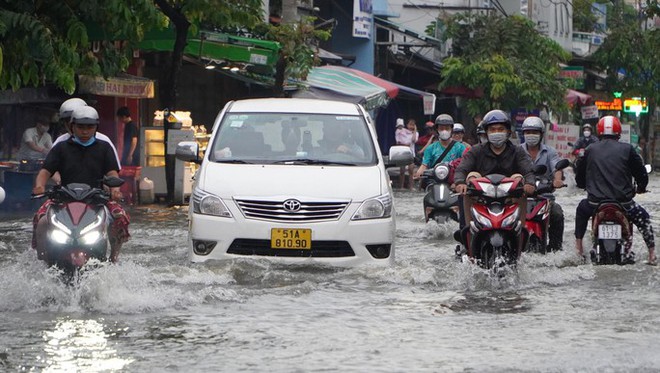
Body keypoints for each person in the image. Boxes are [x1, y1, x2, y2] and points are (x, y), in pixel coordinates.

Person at [32, 106, 130, 263]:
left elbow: (112, 173)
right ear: (73, 127)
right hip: (63, 198)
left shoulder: (104, 148)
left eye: (89, 127)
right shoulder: (61, 147)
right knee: (42, 221)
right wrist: (39, 186)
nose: (85, 131)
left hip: (97, 198)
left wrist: (115, 190)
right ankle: (43, 262)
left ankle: (114, 258)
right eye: (81, 127)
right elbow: (45, 171)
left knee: (120, 217)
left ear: (96, 128)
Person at [574, 115, 656, 265]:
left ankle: (578, 250)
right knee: (643, 218)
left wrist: (581, 184)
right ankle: (652, 255)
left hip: (594, 203)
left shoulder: (590, 149)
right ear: (618, 132)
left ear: (599, 131)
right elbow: (641, 173)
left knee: (580, 210)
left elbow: (580, 174)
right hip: (623, 203)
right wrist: (641, 187)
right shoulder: (628, 149)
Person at [454, 110, 535, 242]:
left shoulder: (518, 151)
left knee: (519, 178)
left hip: (509, 198)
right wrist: (460, 182)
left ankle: (520, 233)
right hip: (482, 198)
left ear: (508, 132)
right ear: (486, 132)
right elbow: (462, 169)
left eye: (500, 129)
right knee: (471, 177)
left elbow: (528, 171)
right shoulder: (476, 151)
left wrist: (529, 184)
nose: (496, 132)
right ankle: (468, 233)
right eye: (492, 129)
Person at [519, 116, 565, 251]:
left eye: (534, 132)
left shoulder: (550, 151)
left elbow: (557, 167)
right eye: (528, 132)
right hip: (522, 198)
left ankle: (556, 249)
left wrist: (557, 180)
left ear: (541, 134)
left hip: (545, 198)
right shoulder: (517, 151)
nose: (531, 135)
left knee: (557, 213)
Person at [53, 98, 121, 168]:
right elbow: (49, 169)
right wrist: (61, 179)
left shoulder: (104, 141)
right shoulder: (60, 142)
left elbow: (113, 170)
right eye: (68, 121)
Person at [414, 114, 467, 182]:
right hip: (434, 182)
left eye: (447, 128)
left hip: (453, 183)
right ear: (437, 129)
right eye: (441, 128)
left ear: (451, 129)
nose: (444, 131)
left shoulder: (460, 147)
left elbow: (465, 164)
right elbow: (424, 165)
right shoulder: (430, 148)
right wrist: (419, 172)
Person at [395, 118, 418, 190]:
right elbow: (398, 142)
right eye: (410, 124)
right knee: (402, 170)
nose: (411, 126)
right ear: (407, 125)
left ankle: (411, 186)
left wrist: (415, 131)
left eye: (413, 125)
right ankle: (401, 186)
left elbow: (414, 140)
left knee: (411, 170)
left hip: (411, 153)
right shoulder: (401, 131)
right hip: (402, 152)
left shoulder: (416, 133)